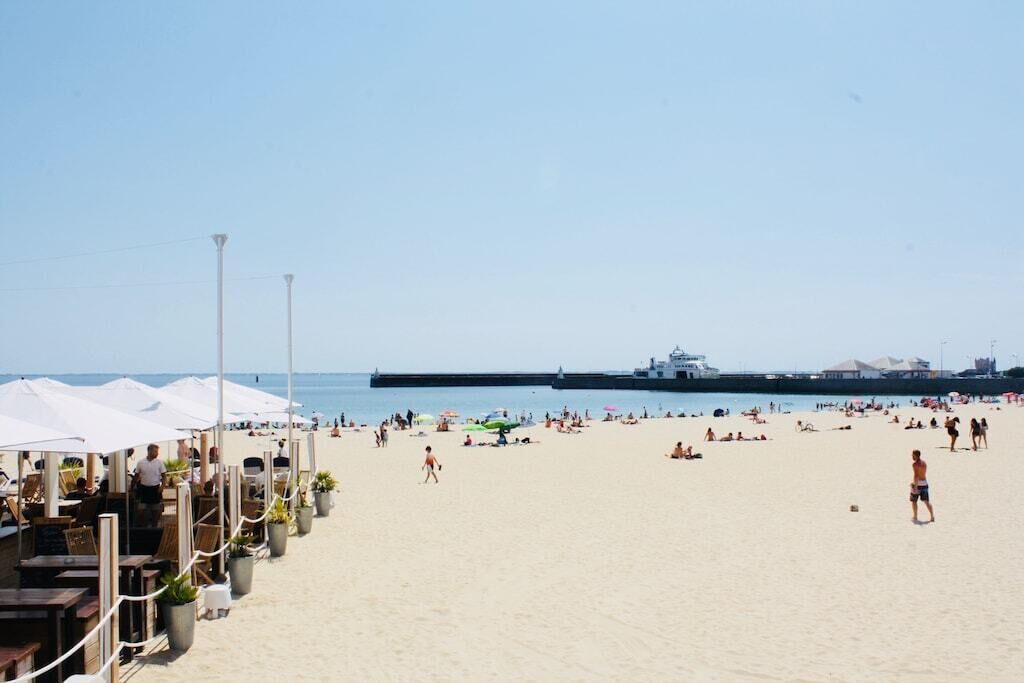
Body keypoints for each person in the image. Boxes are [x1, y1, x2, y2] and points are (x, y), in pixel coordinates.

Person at [132, 443, 166, 527]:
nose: (157, 453)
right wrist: (132, 487)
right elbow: (136, 476)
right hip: (144, 489)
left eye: (157, 451)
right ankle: (144, 527)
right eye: (155, 451)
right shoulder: (141, 462)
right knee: (141, 511)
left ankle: (154, 527)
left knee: (156, 510)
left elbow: (164, 476)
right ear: (149, 451)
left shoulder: (159, 463)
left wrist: (162, 486)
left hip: (155, 488)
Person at [910, 449, 934, 523]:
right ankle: (932, 516)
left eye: (912, 455)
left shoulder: (915, 464)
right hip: (925, 483)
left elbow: (916, 476)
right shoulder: (924, 463)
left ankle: (915, 516)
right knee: (926, 501)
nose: (912, 456)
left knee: (914, 501)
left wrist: (915, 485)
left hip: (918, 484)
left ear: (915, 455)